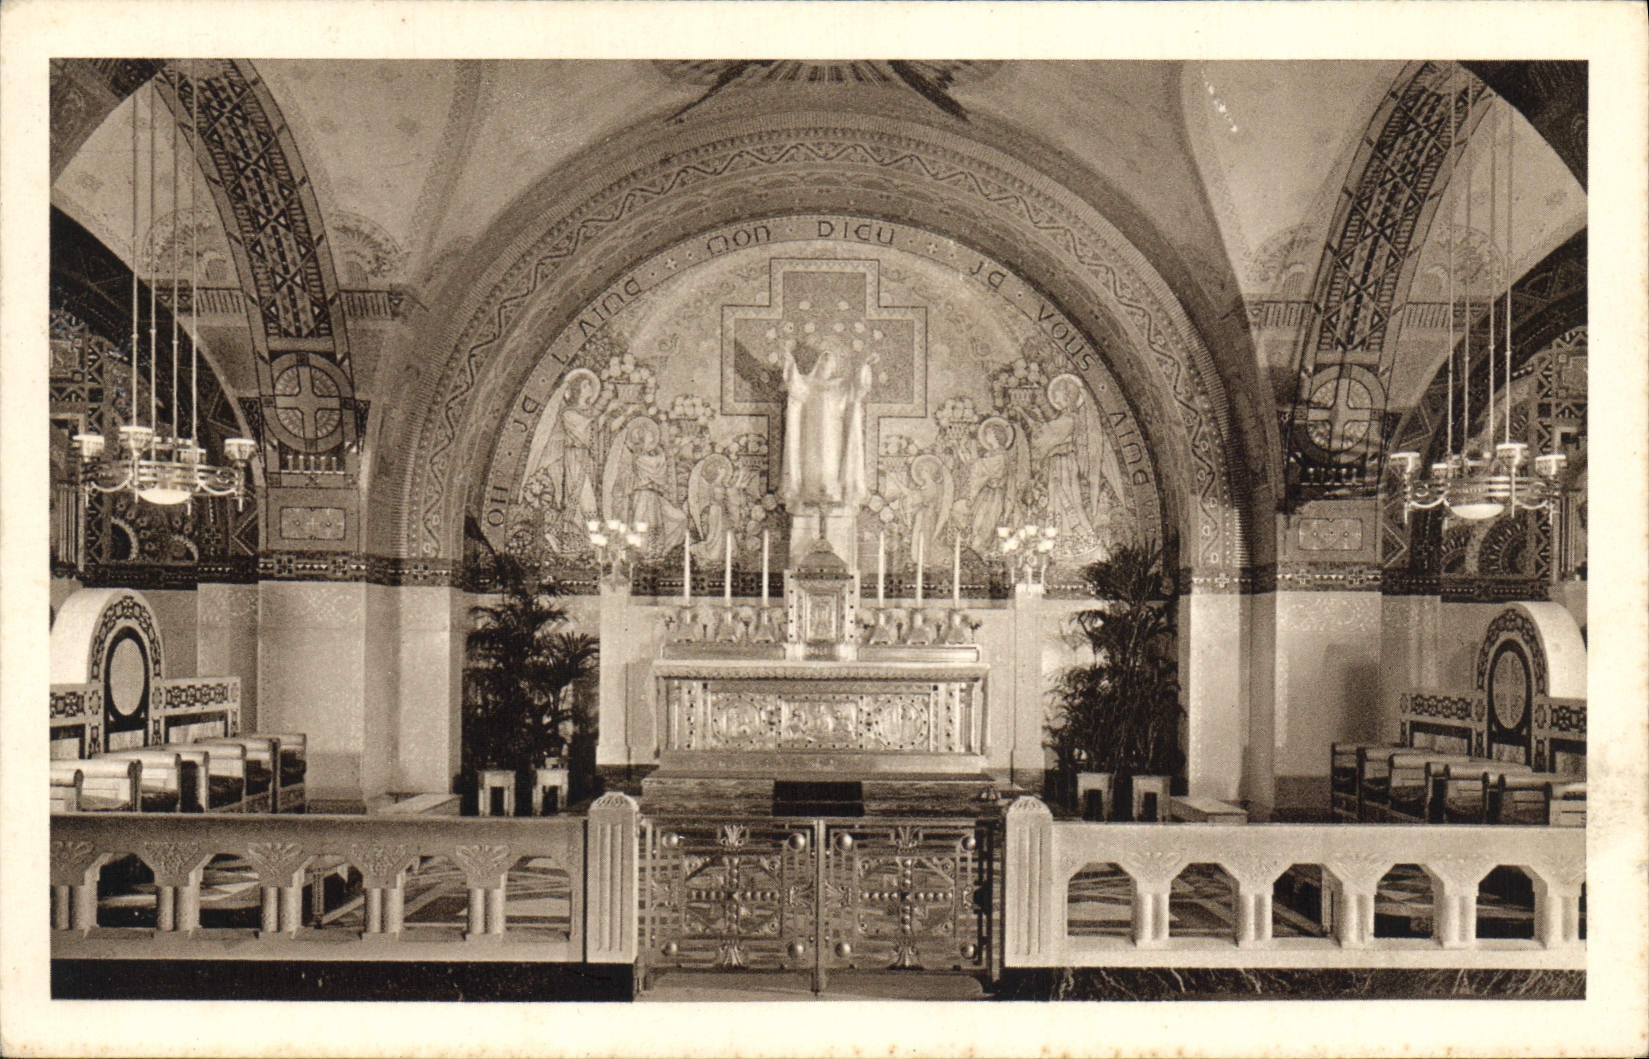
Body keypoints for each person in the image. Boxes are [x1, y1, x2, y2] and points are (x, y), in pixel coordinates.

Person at [780, 334, 875, 511]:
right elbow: (795, 385)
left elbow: (857, 388)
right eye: (824, 362)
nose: (827, 366)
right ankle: (808, 497)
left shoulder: (840, 385)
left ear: (834, 367)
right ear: (818, 363)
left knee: (832, 466)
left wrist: (864, 366)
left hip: (834, 437)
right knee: (812, 466)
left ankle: (834, 496)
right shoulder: (808, 384)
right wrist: (790, 362)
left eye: (830, 363)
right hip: (811, 436)